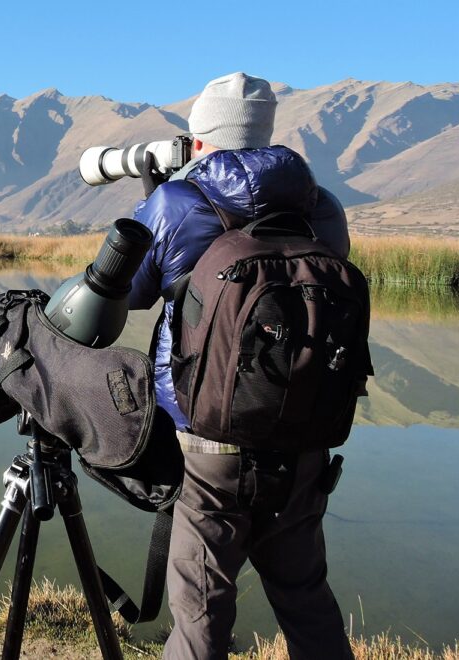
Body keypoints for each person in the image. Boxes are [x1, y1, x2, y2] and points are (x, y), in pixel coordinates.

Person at [127, 72, 354, 660]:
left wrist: (151, 203)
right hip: (304, 439)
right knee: (308, 602)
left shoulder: (178, 204)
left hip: (208, 448)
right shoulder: (322, 207)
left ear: (200, 138)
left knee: (200, 617)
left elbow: (124, 295)